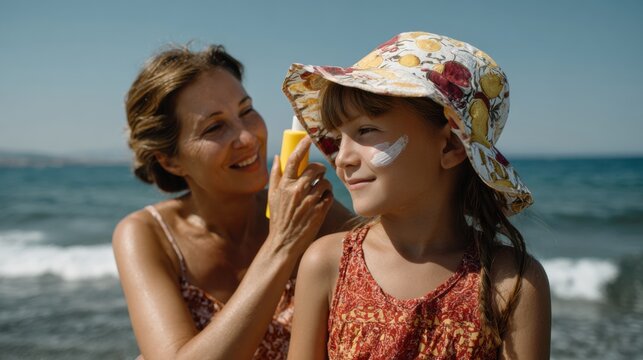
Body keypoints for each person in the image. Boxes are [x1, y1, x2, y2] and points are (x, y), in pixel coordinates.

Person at [282, 31, 551, 359]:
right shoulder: (326, 264)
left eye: (366, 131)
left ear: (450, 146)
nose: (342, 158)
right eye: (340, 138)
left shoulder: (511, 283)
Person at [112, 44, 352, 360]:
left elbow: (401, 250)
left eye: (247, 110)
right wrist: (282, 244)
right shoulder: (147, 235)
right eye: (215, 127)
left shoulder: (308, 211)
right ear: (170, 161)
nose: (249, 138)